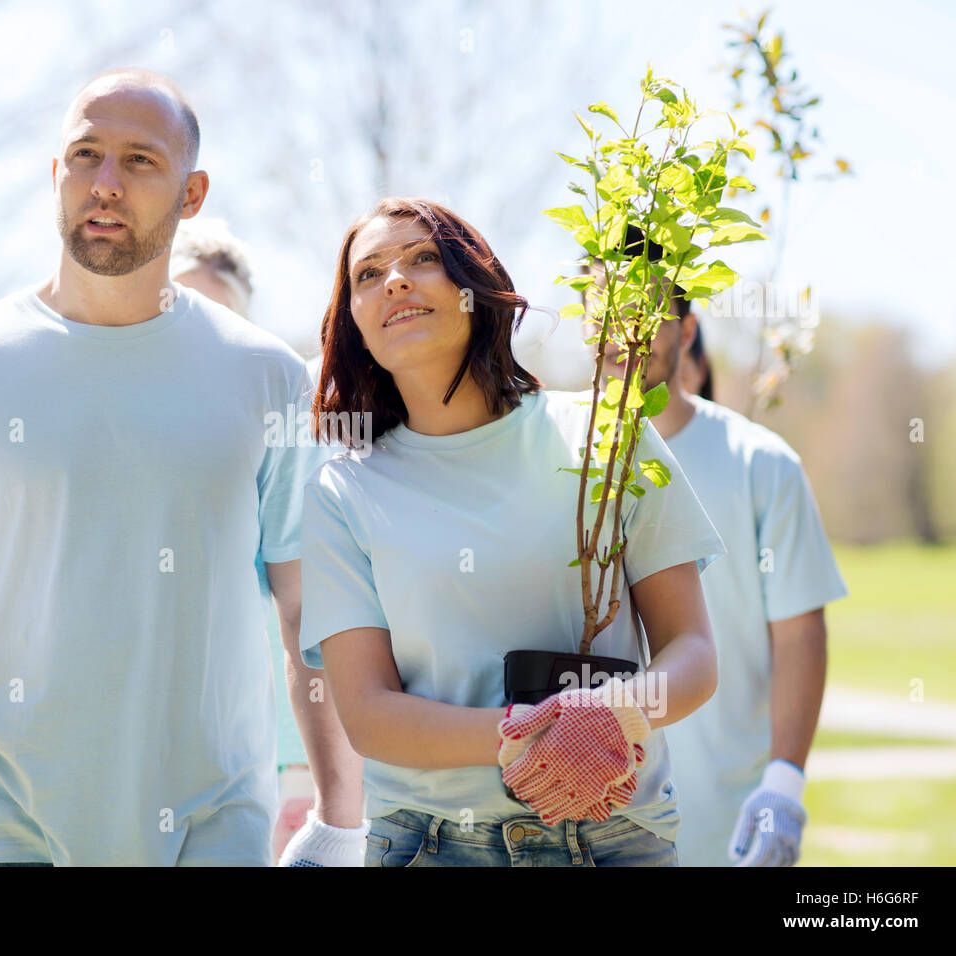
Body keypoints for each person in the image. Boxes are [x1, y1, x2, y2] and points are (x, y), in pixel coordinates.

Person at [0, 68, 332, 866]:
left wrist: (337, 816)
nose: (105, 183)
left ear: (191, 193)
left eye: (139, 161)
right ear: (54, 174)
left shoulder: (269, 379)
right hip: (8, 823)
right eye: (86, 154)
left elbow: (308, 610)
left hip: (213, 824)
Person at [297, 197, 727, 867]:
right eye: (369, 273)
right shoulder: (342, 493)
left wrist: (618, 714)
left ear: (476, 286)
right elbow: (368, 714)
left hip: (616, 836)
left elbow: (693, 652)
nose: (396, 281)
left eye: (423, 259)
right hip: (430, 845)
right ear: (354, 321)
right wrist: (527, 734)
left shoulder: (609, 437)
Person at [585, 227, 847, 866]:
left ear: (688, 326)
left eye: (646, 312)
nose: (626, 333)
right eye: (605, 314)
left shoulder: (763, 465)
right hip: (590, 831)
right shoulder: (563, 466)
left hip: (727, 830)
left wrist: (783, 784)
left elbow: (799, 634)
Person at [168, 219, 368, 866]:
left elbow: (304, 609)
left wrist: (333, 805)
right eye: (180, 310)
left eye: (219, 321)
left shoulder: (284, 433)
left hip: (281, 751)